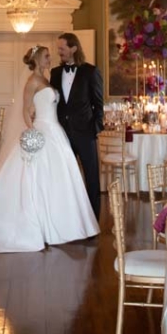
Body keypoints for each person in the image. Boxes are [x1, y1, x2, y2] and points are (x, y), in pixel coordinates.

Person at [0, 45, 99, 254]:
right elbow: (25, 111)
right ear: (37, 59)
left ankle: (64, 225)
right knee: (36, 179)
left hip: (56, 132)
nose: (50, 59)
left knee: (61, 178)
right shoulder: (32, 82)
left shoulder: (47, 80)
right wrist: (32, 131)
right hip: (42, 131)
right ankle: (37, 226)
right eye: (46, 56)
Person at [50, 33, 104, 219]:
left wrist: (95, 129)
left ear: (73, 48)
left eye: (62, 49)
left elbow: (99, 104)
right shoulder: (55, 73)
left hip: (86, 132)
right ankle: (69, 218)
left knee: (91, 176)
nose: (59, 52)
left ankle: (93, 220)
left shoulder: (91, 71)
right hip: (62, 134)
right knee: (65, 177)